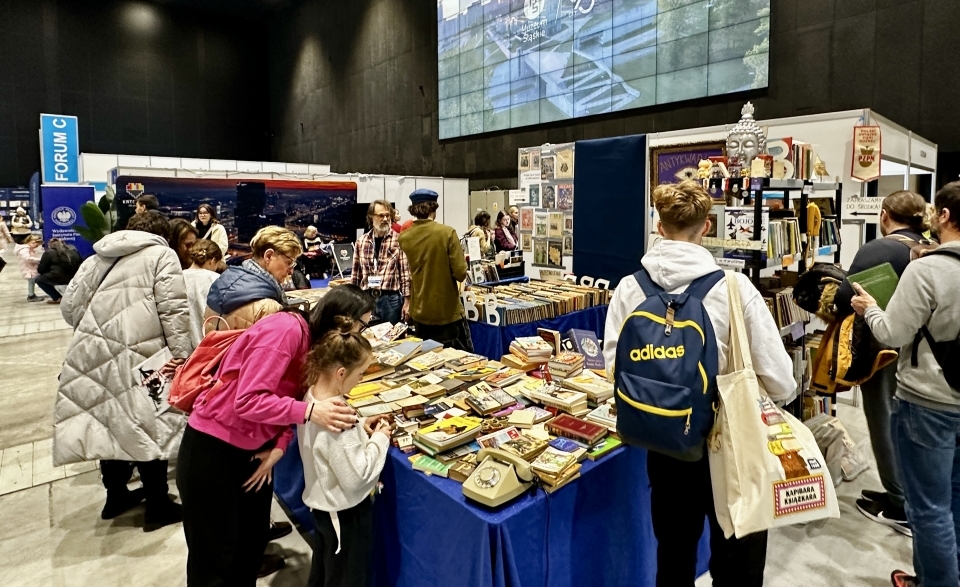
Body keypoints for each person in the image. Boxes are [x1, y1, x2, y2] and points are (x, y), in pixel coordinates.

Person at [602, 181, 796, 587]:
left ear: (659, 224)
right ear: (706, 226)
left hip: (665, 439)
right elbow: (780, 380)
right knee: (737, 554)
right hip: (732, 442)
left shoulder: (629, 288)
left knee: (673, 552)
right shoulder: (734, 287)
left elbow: (612, 367)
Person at [176, 286, 372, 587]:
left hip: (253, 454)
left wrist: (279, 446)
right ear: (343, 320)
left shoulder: (313, 347)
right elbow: (248, 400)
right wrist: (310, 412)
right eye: (363, 325)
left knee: (249, 550)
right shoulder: (287, 330)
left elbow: (283, 401)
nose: (362, 334)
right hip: (213, 450)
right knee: (214, 561)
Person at [852, 181, 960, 587]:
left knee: (928, 507)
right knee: (955, 498)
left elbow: (893, 333)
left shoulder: (928, 268)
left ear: (945, 216)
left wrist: (870, 309)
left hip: (928, 400)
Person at [53, 210, 189, 532]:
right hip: (145, 355)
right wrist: (184, 357)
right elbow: (173, 311)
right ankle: (157, 504)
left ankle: (115, 497)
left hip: (93, 353)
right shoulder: (161, 255)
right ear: (163, 233)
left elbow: (69, 308)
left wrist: (97, 331)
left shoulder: (96, 257)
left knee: (108, 421)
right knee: (149, 423)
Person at [834, 190, 931, 536]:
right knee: (907, 423)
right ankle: (905, 493)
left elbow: (846, 295)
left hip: (883, 346)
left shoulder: (880, 248)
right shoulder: (928, 247)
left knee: (882, 418)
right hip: (922, 351)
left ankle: (899, 502)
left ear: (886, 215)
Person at [299, 324, 390, 587]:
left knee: (326, 570)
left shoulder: (313, 397)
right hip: (345, 513)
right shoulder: (338, 418)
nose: (360, 380)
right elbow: (356, 477)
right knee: (347, 577)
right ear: (341, 373)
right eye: (360, 374)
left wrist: (361, 428)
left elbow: (326, 447)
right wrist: (380, 439)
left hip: (324, 507)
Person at [398, 189, 472, 352]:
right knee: (455, 360)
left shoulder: (404, 238)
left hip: (419, 312)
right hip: (446, 312)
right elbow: (460, 273)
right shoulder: (447, 233)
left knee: (426, 361)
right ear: (434, 208)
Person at [204, 226, 301, 331]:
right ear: (268, 256)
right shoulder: (268, 308)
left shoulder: (220, 285)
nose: (291, 271)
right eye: (289, 262)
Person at [351, 200, 412, 325]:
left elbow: (405, 273)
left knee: (391, 341)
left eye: (387, 215)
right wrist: (352, 300)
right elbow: (356, 274)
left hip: (391, 300)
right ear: (371, 217)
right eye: (381, 215)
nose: (385, 218)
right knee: (367, 338)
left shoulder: (399, 240)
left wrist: (407, 302)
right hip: (366, 298)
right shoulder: (361, 242)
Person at [182, 240, 223, 351]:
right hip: (208, 346)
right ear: (213, 261)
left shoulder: (177, 276)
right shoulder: (216, 279)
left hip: (181, 347)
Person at [35, 238, 81, 305]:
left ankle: (57, 297)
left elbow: (41, 269)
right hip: (73, 276)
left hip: (57, 277)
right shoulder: (73, 250)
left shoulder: (49, 252)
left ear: (50, 245)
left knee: (38, 280)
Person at [15, 234, 44, 302]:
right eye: (36, 245)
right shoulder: (24, 250)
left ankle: (31, 295)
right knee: (32, 282)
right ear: (33, 242)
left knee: (31, 282)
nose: (36, 247)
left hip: (30, 269)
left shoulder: (28, 249)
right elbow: (27, 258)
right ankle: (31, 296)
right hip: (29, 270)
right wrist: (39, 260)